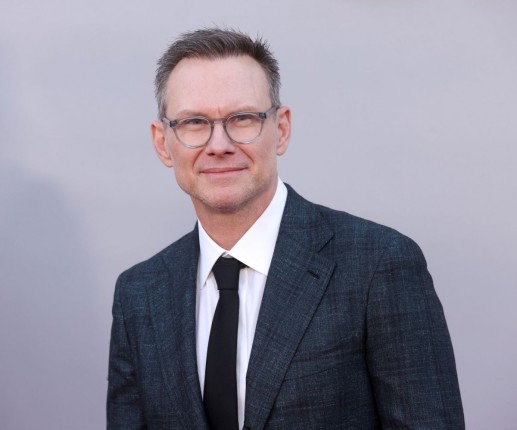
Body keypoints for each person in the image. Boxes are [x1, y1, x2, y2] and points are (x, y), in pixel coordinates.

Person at [107, 28, 464, 430]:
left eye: (242, 118)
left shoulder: (378, 265)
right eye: (193, 122)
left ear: (281, 129)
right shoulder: (139, 295)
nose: (219, 144)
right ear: (162, 142)